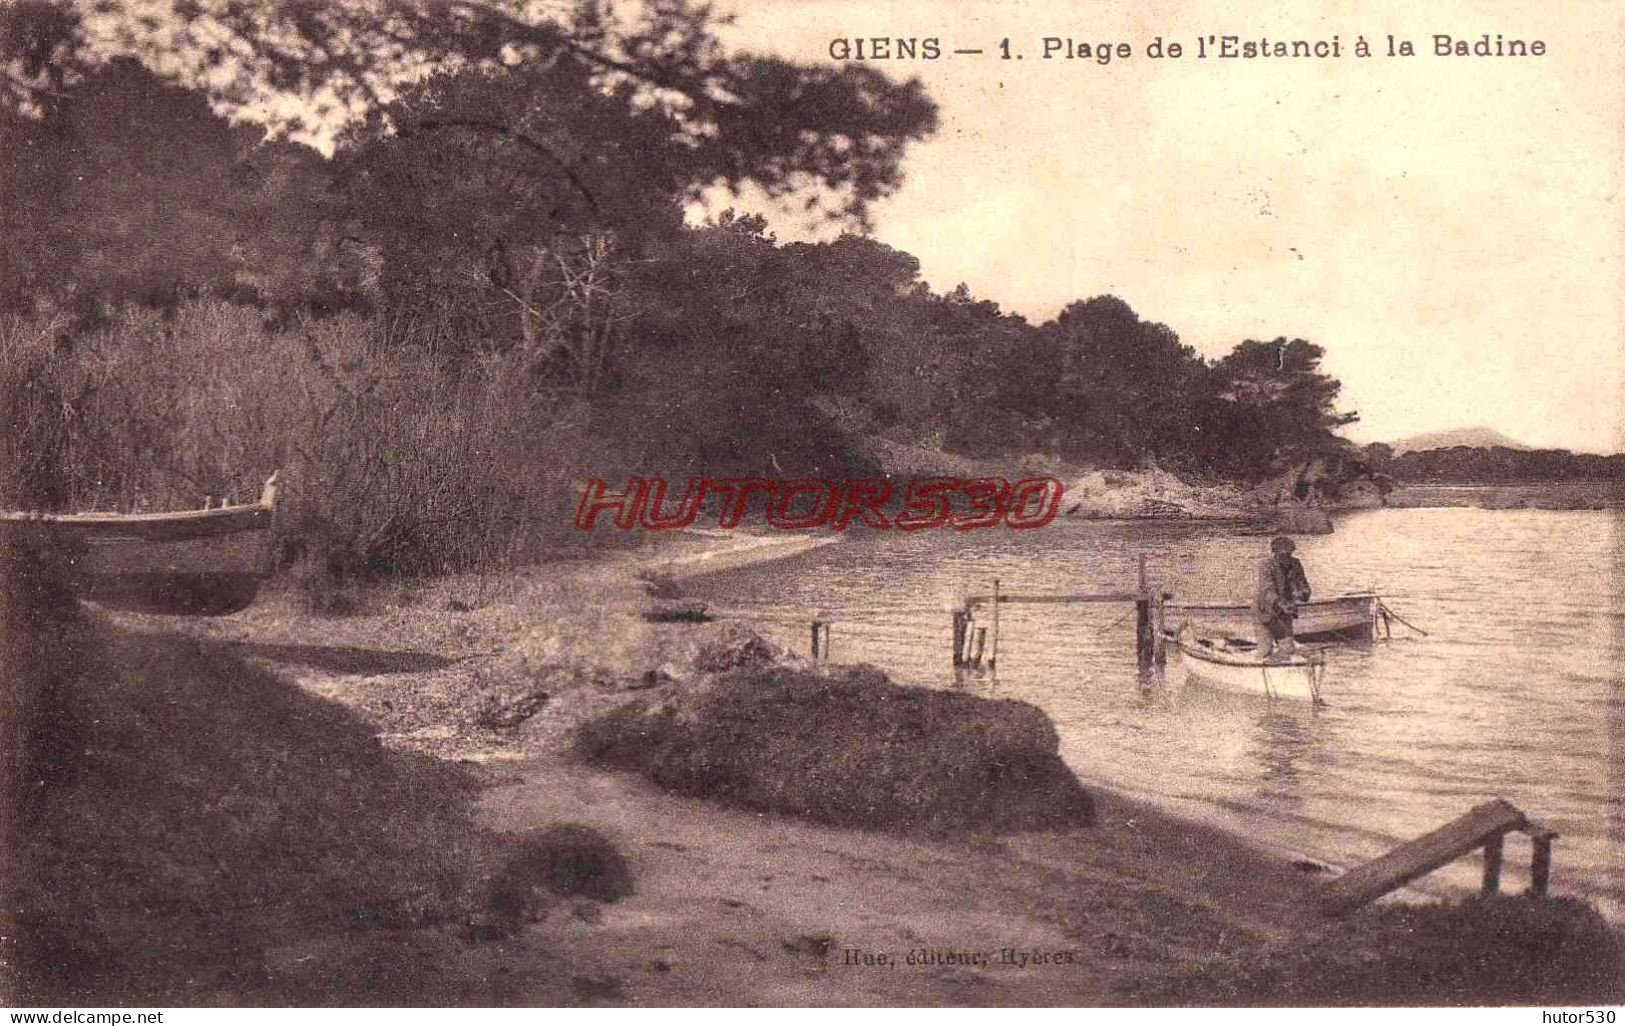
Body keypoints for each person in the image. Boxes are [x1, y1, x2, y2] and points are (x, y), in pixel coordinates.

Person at [1256, 535, 1312, 658]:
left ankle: (1283, 671)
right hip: (1266, 613)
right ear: (1275, 554)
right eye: (1283, 555)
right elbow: (1267, 591)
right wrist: (1281, 603)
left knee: (1288, 650)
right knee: (1264, 651)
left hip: (1285, 613)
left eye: (1289, 554)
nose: (1286, 557)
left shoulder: (1295, 564)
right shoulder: (1266, 565)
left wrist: (1304, 593)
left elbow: (1303, 584)